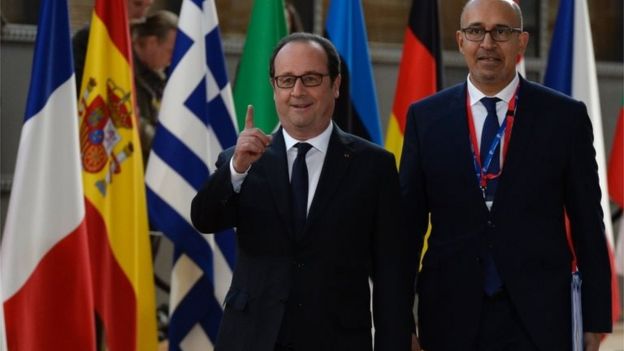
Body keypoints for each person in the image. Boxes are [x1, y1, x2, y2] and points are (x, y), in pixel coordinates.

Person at [400, 1, 613, 350]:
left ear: (522, 43)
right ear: (460, 40)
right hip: (448, 314)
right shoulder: (426, 119)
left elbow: (589, 224)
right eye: (475, 31)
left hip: (539, 317)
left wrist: (595, 320)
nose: (487, 43)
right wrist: (401, 321)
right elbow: (406, 232)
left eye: (501, 31)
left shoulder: (564, 118)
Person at [191, 32, 414, 351]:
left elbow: (391, 271)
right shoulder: (242, 159)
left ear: (335, 85)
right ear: (274, 87)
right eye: (286, 80)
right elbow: (204, 218)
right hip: (252, 338)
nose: (297, 91)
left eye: (310, 78)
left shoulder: (374, 166)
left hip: (337, 339)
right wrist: (237, 169)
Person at [72, 0, 154, 91]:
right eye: (137, 4)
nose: (142, 15)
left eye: (147, 7)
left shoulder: (135, 41)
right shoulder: (88, 37)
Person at [131, 10, 177, 164]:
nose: (171, 60)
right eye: (170, 51)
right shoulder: (123, 71)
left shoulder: (158, 77)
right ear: (151, 43)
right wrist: (165, 146)